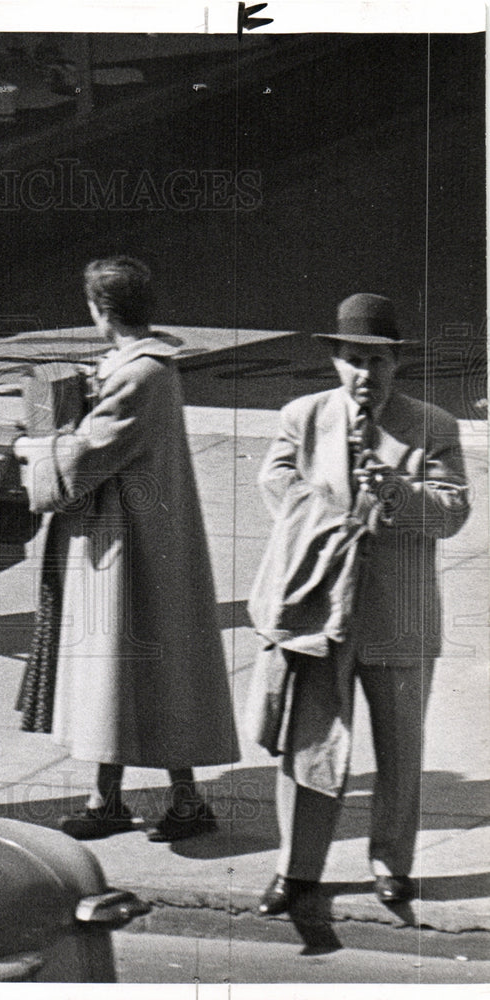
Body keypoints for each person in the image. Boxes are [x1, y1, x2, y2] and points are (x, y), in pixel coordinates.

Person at [247, 293, 470, 916]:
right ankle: (297, 870)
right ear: (336, 361)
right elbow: (276, 484)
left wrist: (397, 493)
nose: (364, 374)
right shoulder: (302, 416)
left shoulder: (434, 426)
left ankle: (391, 866)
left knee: (400, 753)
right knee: (309, 744)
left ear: (395, 364)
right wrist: (335, 511)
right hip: (322, 614)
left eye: (376, 361)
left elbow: (453, 513)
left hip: (399, 621)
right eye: (353, 360)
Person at [13, 256, 238, 841]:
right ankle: (114, 796)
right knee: (120, 673)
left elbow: (90, 454)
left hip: (130, 543)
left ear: (99, 312)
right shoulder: (139, 366)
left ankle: (174, 800)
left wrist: (34, 451)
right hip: (131, 536)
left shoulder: (141, 375)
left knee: (138, 670)